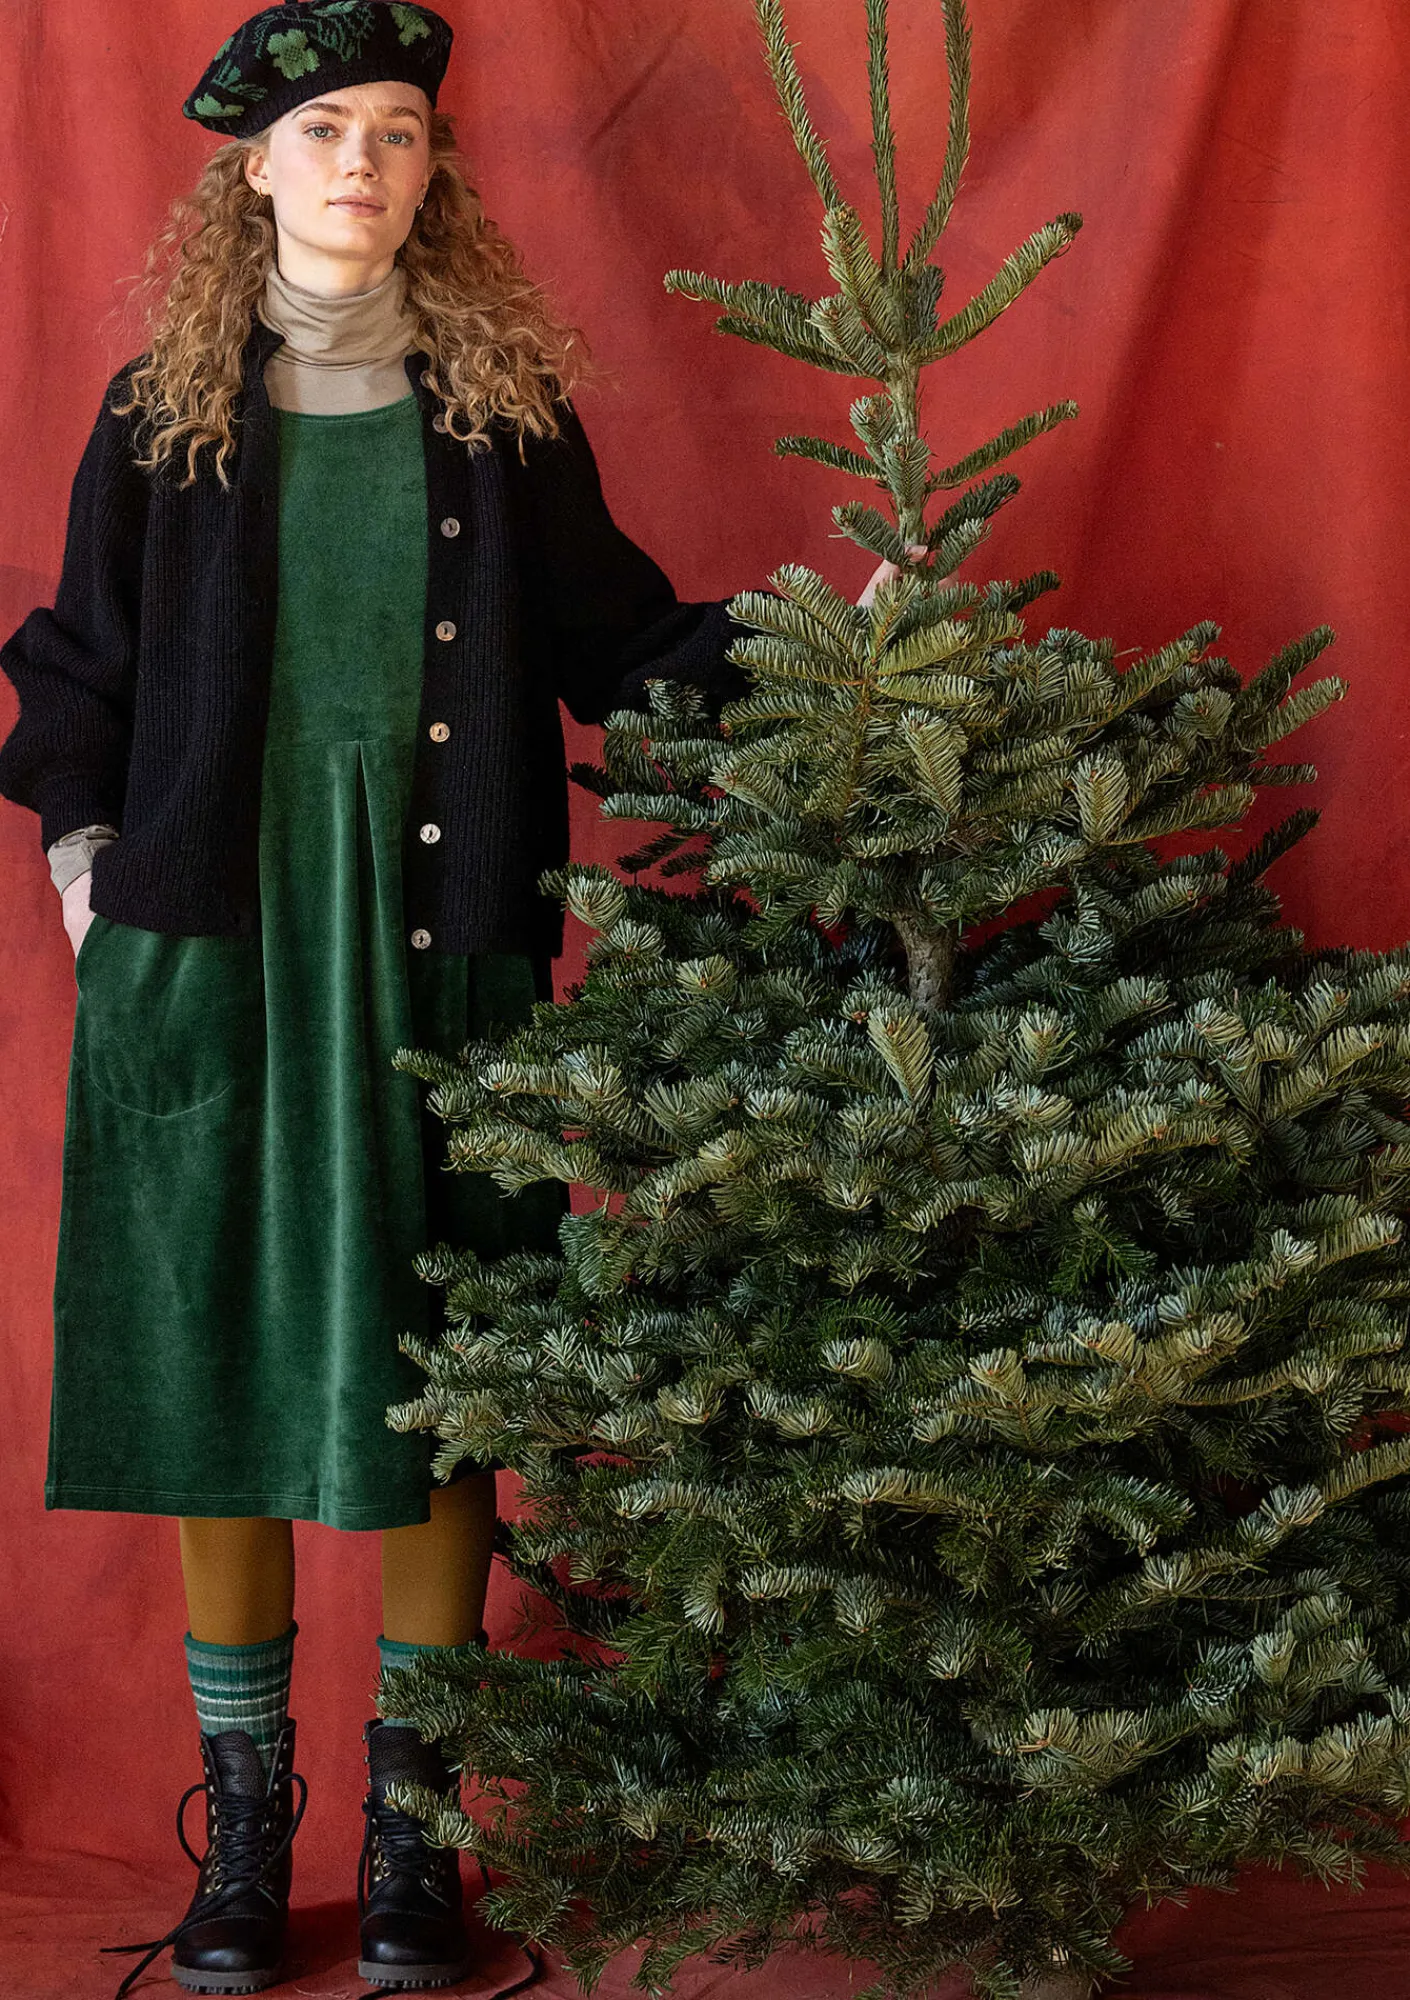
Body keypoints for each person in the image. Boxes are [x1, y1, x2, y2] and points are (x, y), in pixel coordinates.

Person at [0, 4, 919, 1993]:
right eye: (325, 130)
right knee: (217, 1373)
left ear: (435, 173)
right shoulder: (164, 414)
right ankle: (248, 1839)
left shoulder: (500, 416)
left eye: (399, 133)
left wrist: (818, 665)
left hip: (445, 949)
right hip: (209, 957)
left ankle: (415, 1837)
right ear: (254, 167)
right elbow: (75, 667)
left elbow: (625, 643)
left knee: (451, 1370)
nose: (362, 163)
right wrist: (86, 873)